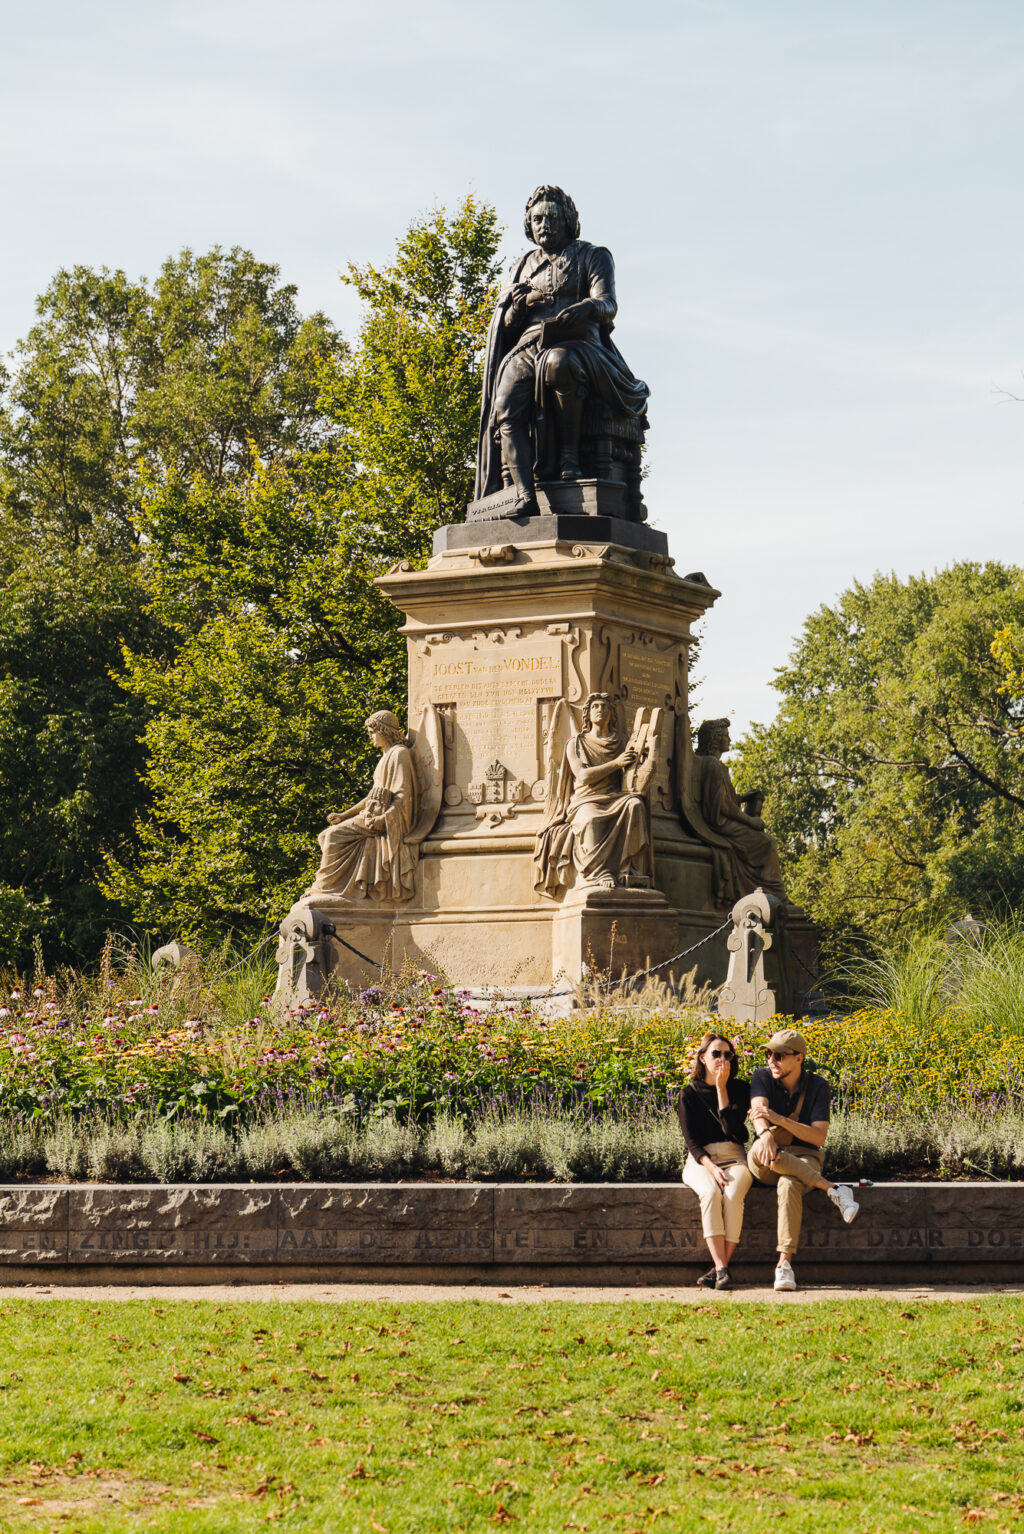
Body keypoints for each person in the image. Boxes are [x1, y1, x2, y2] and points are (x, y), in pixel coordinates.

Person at [474, 184, 650, 511]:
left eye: (552, 218)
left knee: (559, 363)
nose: (544, 225)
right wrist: (517, 307)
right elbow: (508, 325)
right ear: (529, 224)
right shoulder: (521, 266)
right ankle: (525, 495)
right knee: (505, 398)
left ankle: (570, 458)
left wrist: (587, 307)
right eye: (537, 219)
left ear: (567, 220)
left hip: (579, 341)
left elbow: (608, 304)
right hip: (529, 345)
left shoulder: (593, 255)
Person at [747, 1028, 859, 1291]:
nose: (771, 1060)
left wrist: (779, 1119)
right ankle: (833, 1188)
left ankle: (784, 1265)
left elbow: (818, 1137)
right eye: (768, 1054)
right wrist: (764, 1133)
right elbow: (758, 1111)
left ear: (798, 1058)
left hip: (805, 1156)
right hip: (767, 1155)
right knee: (761, 1151)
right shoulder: (762, 1076)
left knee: (789, 1184)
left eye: (778, 1055)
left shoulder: (818, 1086)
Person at [533, 693, 650, 896]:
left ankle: (628, 868)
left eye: (605, 707)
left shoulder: (622, 741)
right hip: (585, 800)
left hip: (615, 796)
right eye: (595, 706)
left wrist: (644, 758)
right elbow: (583, 775)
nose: (600, 710)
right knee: (591, 818)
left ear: (612, 714)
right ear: (587, 714)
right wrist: (617, 763)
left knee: (635, 805)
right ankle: (598, 873)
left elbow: (632, 774)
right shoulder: (575, 743)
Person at [306, 711, 418, 903]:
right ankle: (337, 886)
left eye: (373, 732)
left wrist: (384, 819)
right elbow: (372, 797)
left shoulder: (400, 754)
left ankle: (325, 888)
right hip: (370, 815)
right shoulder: (385, 757)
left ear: (384, 731)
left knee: (332, 836)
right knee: (324, 836)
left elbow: (403, 795)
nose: (371, 736)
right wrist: (343, 815)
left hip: (383, 817)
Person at [678, 1033, 753, 1289]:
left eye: (728, 1055)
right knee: (710, 1193)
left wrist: (721, 1088)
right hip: (701, 1160)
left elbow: (731, 1129)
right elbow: (691, 1141)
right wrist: (710, 1168)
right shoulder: (688, 1094)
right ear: (702, 1058)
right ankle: (722, 1268)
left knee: (732, 1194)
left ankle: (720, 1269)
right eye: (716, 1054)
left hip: (734, 1156)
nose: (723, 1059)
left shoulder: (740, 1089)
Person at [692, 718, 786, 905]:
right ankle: (774, 895)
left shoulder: (714, 765)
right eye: (726, 735)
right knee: (766, 843)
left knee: (764, 840)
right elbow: (722, 806)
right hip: (720, 824)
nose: (729, 739)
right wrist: (750, 820)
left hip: (723, 820)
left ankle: (767, 892)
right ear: (716, 739)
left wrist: (742, 798)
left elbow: (723, 800)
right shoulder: (712, 765)